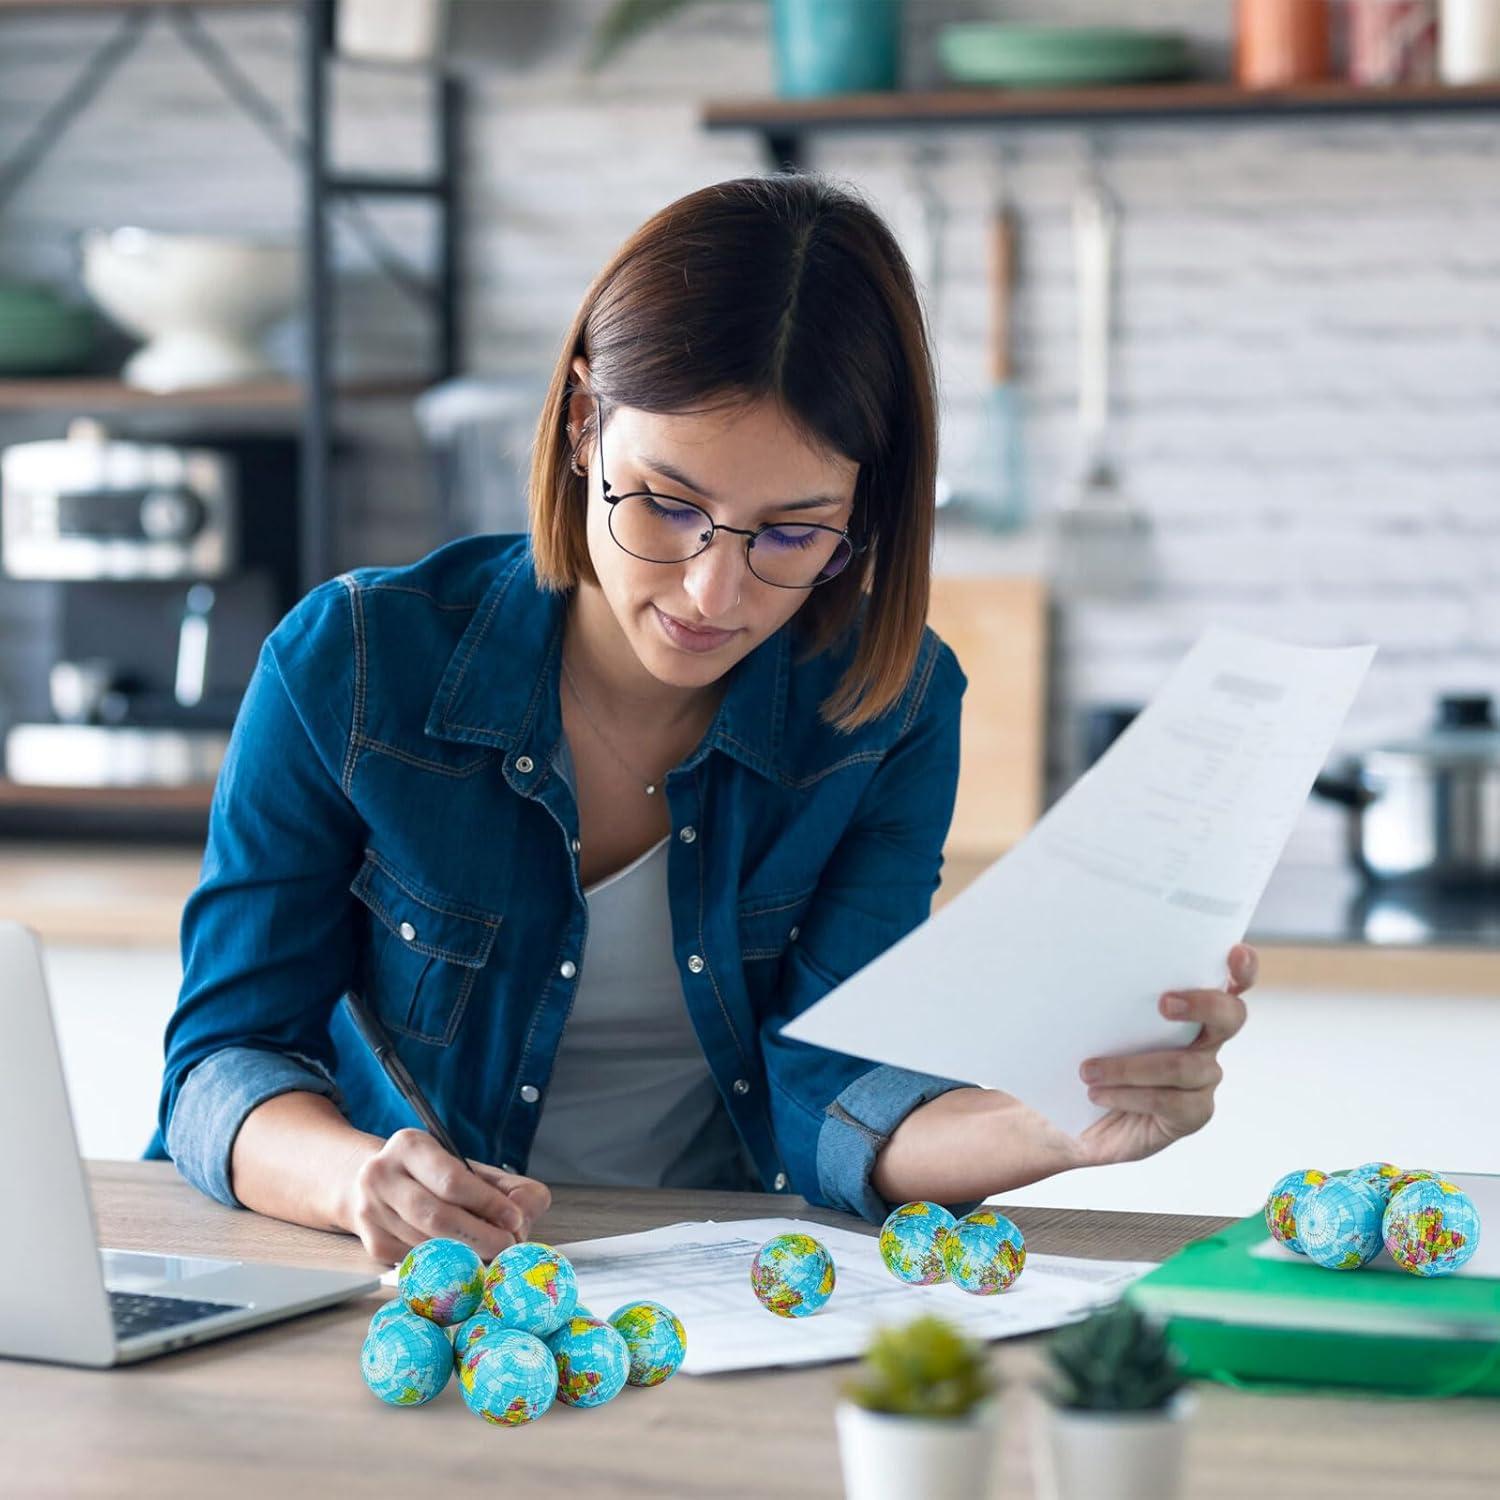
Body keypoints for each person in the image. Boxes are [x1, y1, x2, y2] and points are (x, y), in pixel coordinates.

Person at [150, 173, 1255, 1264]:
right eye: (670, 506)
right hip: (369, 1281)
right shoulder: (351, 663)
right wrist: (358, 1182)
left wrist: (1057, 1124)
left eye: (791, 532)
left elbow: (832, 1089)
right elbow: (224, 1059)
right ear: (584, 425)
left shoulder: (892, 706)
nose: (712, 595)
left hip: (707, 1289)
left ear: (864, 510)